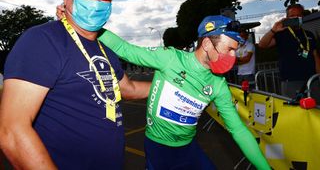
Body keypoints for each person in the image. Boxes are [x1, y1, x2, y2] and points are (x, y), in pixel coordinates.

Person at [0, 0, 150, 170]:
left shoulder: (105, 49)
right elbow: (12, 131)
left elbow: (129, 89)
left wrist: (175, 84)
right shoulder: (43, 40)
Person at [99, 15, 271, 170]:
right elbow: (125, 49)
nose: (233, 57)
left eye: (235, 50)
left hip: (188, 149)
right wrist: (87, 27)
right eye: (229, 49)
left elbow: (239, 130)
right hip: (158, 149)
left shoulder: (219, 86)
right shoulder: (171, 59)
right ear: (206, 44)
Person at [259, 4, 320, 98]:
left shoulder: (309, 34)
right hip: (291, 81)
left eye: (299, 15)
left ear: (302, 17)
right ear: (287, 18)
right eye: (292, 16)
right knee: (293, 110)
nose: (296, 18)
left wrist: (318, 76)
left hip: (312, 80)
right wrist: (273, 30)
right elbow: (262, 45)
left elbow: (315, 56)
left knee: (315, 109)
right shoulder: (281, 33)